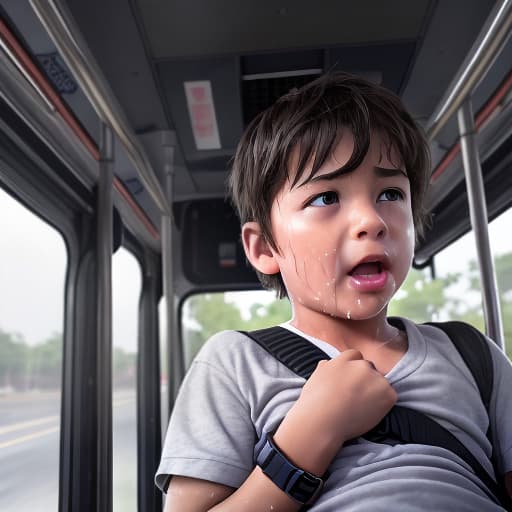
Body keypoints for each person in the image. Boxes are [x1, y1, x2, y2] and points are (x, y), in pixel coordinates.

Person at [155, 72, 512, 511]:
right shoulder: (234, 364)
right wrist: (310, 435)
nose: (372, 221)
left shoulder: (472, 355)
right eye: (326, 198)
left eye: (390, 193)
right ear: (265, 248)